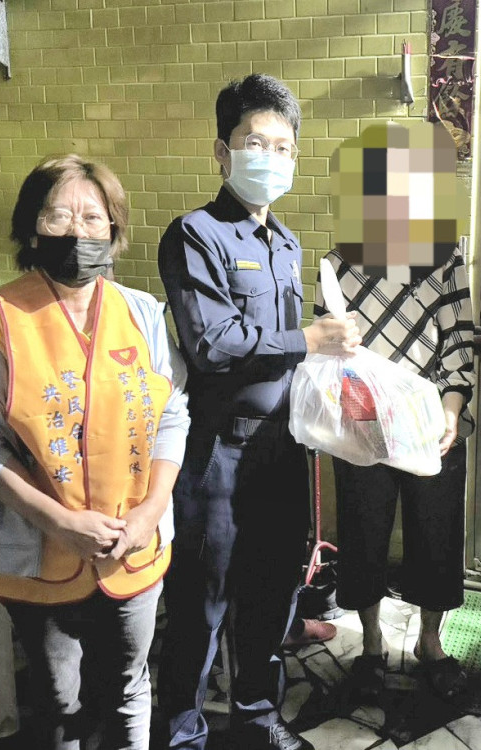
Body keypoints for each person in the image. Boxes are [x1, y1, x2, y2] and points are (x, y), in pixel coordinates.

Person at [0, 154, 190, 750]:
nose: (77, 232)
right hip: (39, 550)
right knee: (59, 698)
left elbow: (172, 412)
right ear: (31, 230)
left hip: (133, 543)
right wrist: (58, 522)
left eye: (93, 217)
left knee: (129, 684)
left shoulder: (143, 315)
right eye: (57, 216)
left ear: (114, 230)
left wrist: (151, 510)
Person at [156, 74, 360, 750]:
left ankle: (256, 716)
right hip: (218, 451)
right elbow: (212, 345)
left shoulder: (288, 244)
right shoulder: (195, 235)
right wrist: (309, 339)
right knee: (202, 601)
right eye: (254, 142)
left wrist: (333, 372)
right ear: (223, 151)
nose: (270, 157)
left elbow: (288, 355)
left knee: (273, 592)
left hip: (282, 448)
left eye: (283, 147)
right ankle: (182, 731)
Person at [316, 121, 478, 703]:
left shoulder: (445, 255)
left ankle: (431, 642)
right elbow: (328, 348)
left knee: (436, 535)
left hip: (432, 423)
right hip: (362, 427)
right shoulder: (338, 263)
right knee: (362, 535)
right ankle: (371, 643)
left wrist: (452, 411)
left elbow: (460, 339)